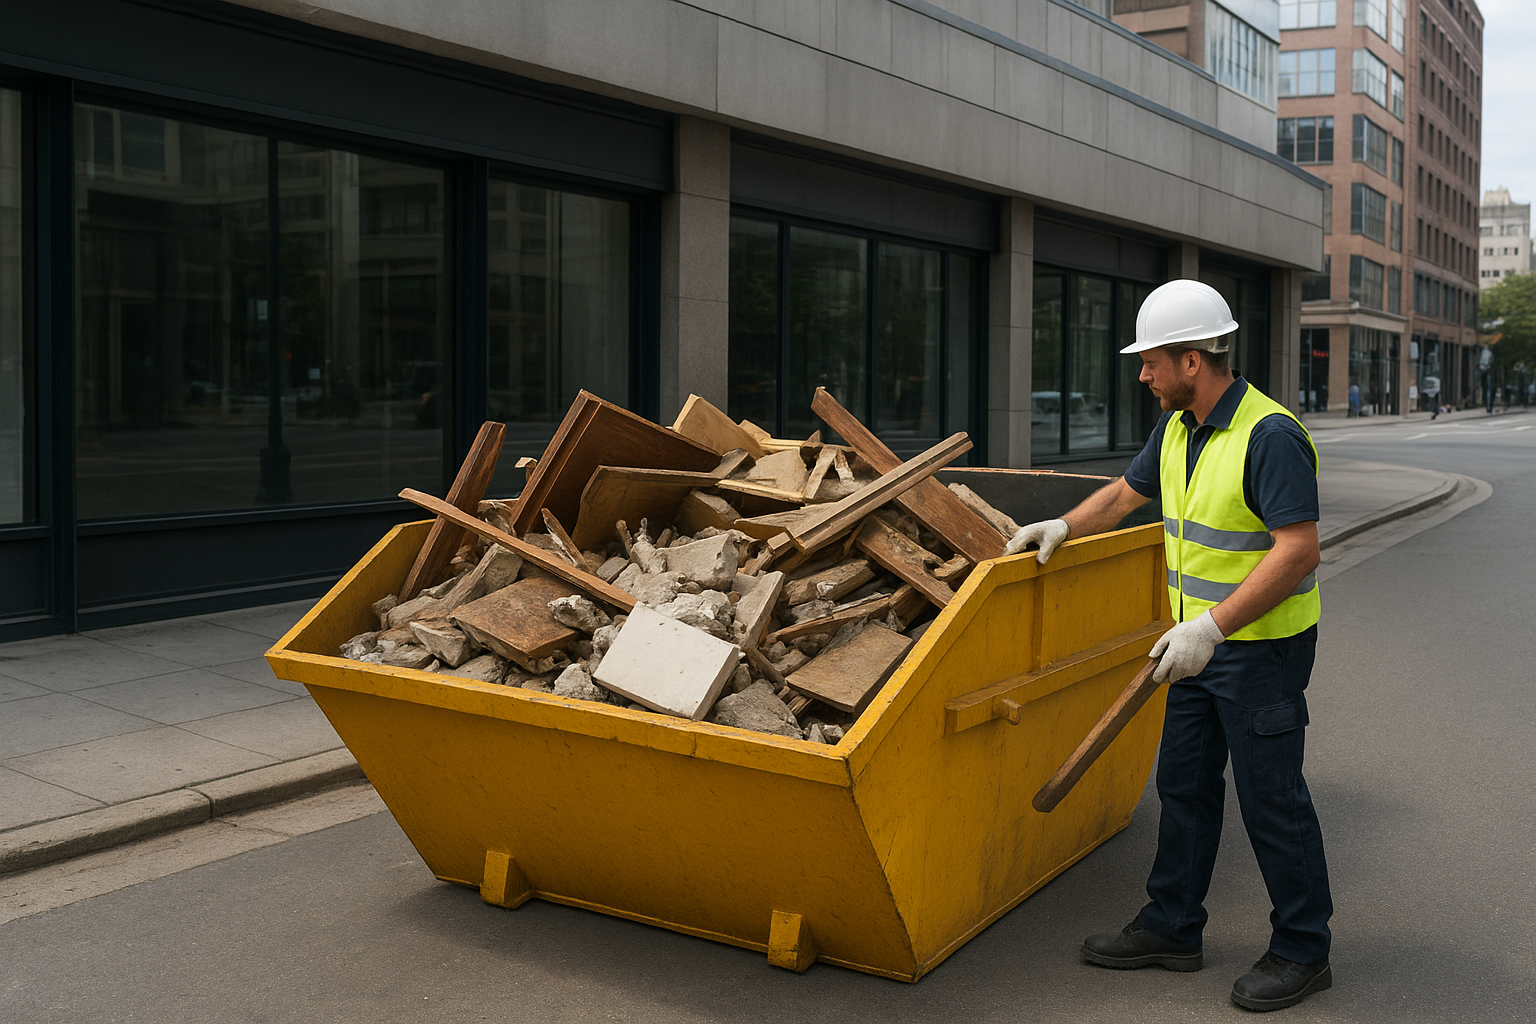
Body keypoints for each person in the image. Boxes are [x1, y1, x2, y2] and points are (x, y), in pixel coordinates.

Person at [1005, 280, 1332, 1012]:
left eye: (1153, 361)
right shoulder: (1180, 427)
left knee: (1271, 801)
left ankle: (1304, 950)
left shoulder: (1268, 435)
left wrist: (1211, 628)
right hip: (1193, 646)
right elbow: (1125, 495)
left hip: (1257, 651)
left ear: (1193, 360)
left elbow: (1299, 551)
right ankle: (1173, 928)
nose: (1143, 374)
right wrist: (1063, 525)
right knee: (1183, 787)